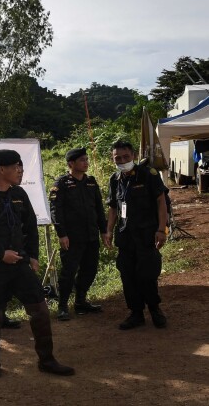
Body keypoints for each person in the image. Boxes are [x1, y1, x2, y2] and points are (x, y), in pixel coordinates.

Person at [0, 150, 74, 379]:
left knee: (40, 311)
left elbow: (30, 226)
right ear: (1, 169)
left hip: (19, 265)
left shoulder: (19, 194)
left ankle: (47, 360)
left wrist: (33, 256)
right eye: (16, 166)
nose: (19, 170)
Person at [106, 141, 168, 330]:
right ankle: (136, 313)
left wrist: (161, 229)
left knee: (147, 274)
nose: (122, 161)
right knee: (128, 276)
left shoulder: (148, 175)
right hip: (125, 237)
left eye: (125, 157)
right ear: (113, 159)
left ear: (132, 155)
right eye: (118, 158)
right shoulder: (115, 179)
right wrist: (108, 230)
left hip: (147, 234)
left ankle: (155, 309)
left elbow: (161, 202)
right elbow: (113, 208)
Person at [49, 148, 108, 321]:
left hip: (91, 235)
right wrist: (62, 234)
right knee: (69, 272)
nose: (86, 162)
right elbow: (56, 211)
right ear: (71, 164)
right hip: (72, 238)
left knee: (90, 270)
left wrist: (104, 231)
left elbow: (98, 207)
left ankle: (81, 302)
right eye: (82, 160)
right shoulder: (61, 184)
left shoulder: (91, 182)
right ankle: (62, 307)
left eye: (86, 159)